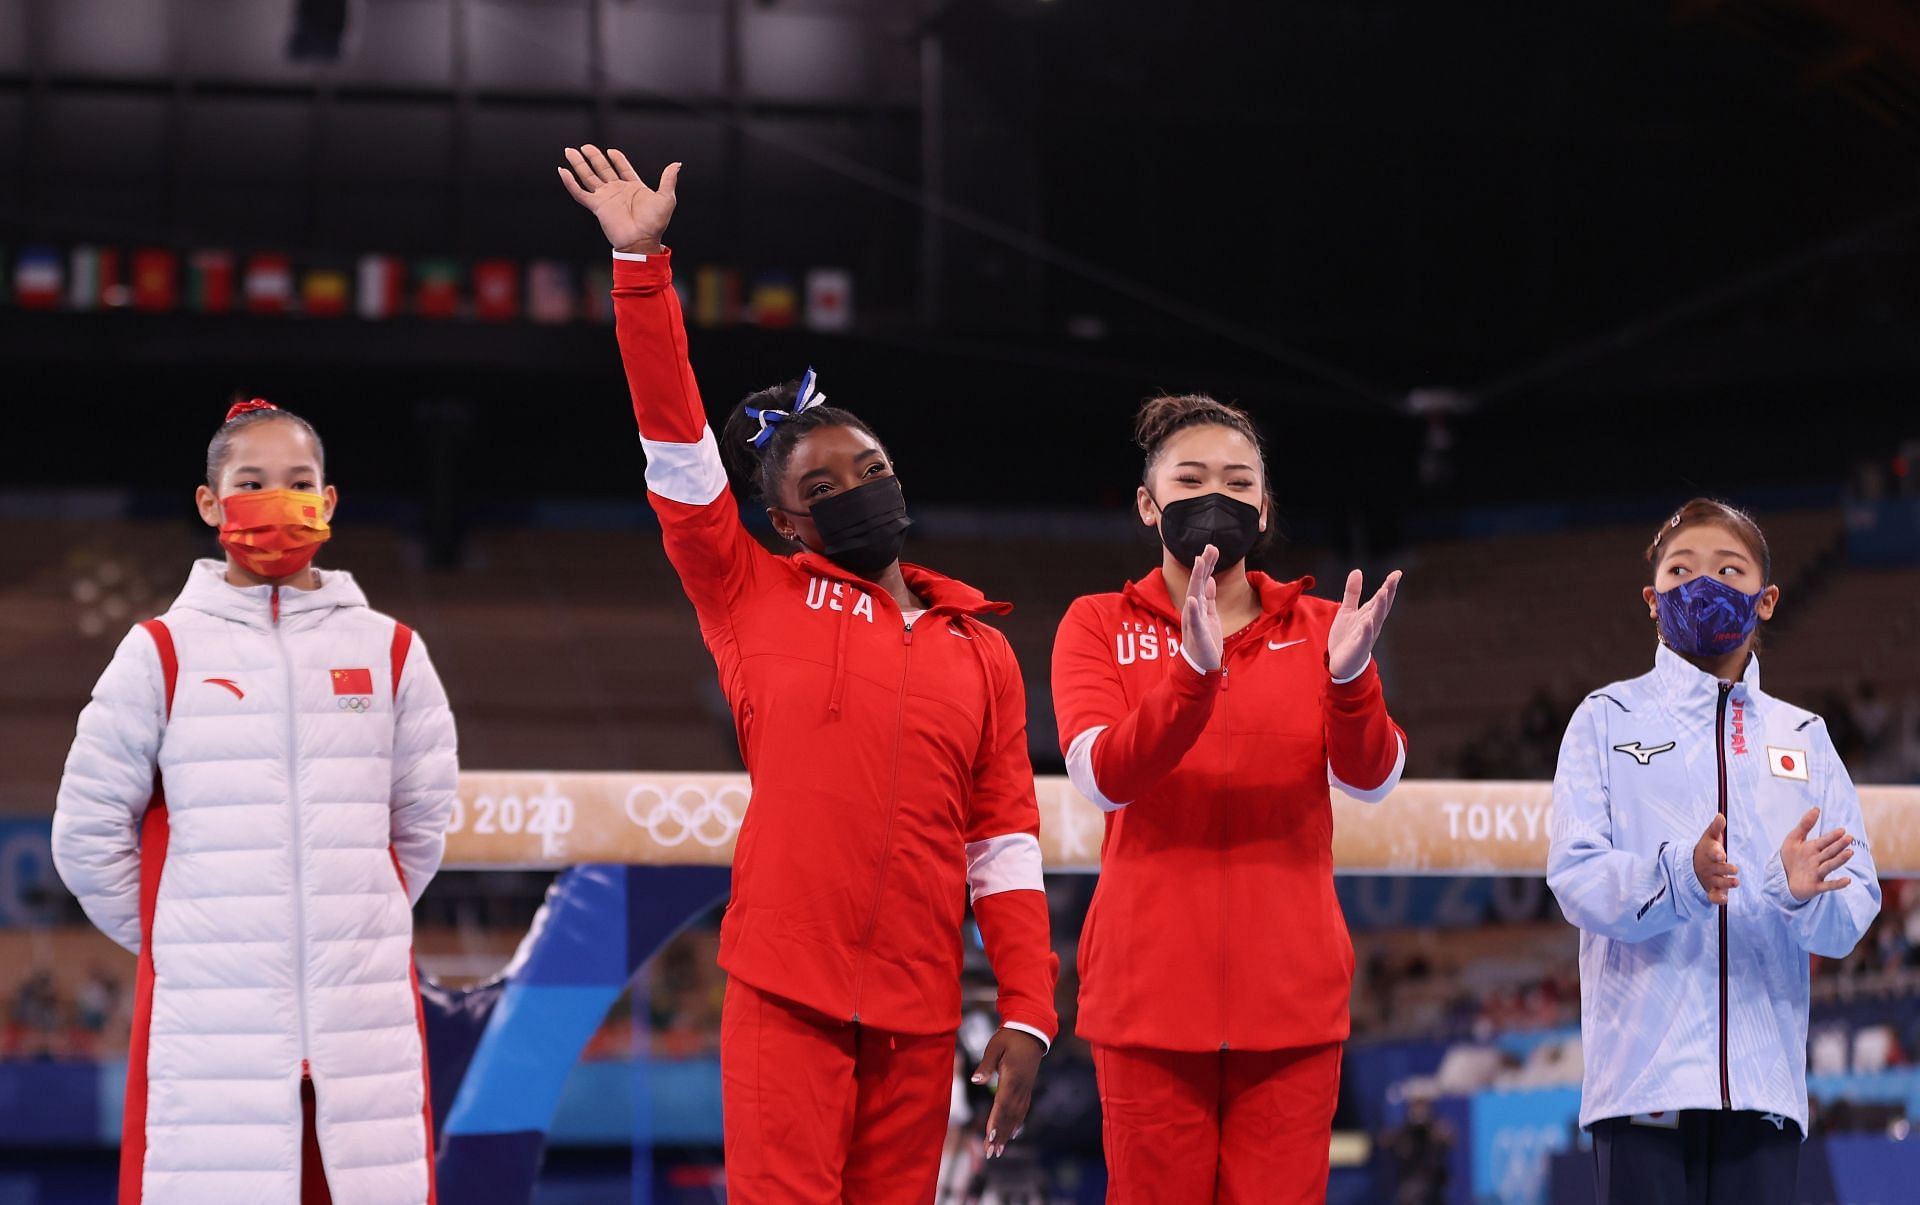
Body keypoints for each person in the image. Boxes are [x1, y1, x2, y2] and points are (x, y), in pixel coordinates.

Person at [557, 144, 1058, 1202]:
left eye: (871, 467)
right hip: (787, 993)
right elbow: (678, 452)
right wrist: (642, 267)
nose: (857, 486)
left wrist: (1027, 1010)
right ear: (787, 520)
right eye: (824, 482)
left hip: (920, 1016)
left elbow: (1004, 839)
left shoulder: (981, 646)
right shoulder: (752, 592)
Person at [53, 399, 458, 1204]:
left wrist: (341, 920)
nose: (278, 500)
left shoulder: (391, 650)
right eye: (252, 482)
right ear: (211, 503)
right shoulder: (160, 651)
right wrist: (192, 936)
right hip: (214, 1023)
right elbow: (85, 833)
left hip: (359, 1012)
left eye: (298, 482)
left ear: (329, 501)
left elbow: (422, 825)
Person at [1049, 394, 1407, 1202]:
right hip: (1147, 1001)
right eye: (1191, 477)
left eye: (1238, 480)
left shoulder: (1324, 626)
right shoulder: (1097, 623)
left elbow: (1373, 778)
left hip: (1291, 1001)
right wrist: (1191, 676)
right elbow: (1102, 774)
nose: (1217, 494)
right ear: (1149, 503)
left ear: (1265, 505)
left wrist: (1350, 680)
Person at [1547, 498, 1880, 1205]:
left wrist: (1796, 894)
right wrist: (1681, 876)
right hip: (1642, 1086)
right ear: (1652, 597)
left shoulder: (1805, 736)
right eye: (1681, 569)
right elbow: (1576, 876)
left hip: (1764, 1088)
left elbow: (1853, 910)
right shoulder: (1606, 720)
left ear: (1765, 600)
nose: (1704, 583)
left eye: (1729, 569)